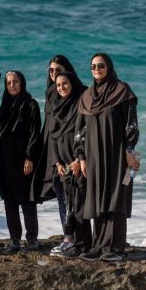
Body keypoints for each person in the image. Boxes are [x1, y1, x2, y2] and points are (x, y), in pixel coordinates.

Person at [74, 53, 140, 262]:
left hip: (117, 156)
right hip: (93, 158)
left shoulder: (122, 91)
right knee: (97, 199)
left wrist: (129, 151)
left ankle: (115, 248)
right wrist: (81, 157)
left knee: (115, 198)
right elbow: (79, 131)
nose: (97, 69)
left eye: (101, 66)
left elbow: (131, 124)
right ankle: (100, 246)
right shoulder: (86, 97)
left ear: (109, 67)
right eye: (93, 66)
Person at [31, 55, 79, 252]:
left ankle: (78, 238)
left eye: (58, 70)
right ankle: (68, 237)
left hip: (73, 150)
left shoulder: (78, 92)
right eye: (51, 70)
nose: (53, 74)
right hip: (53, 148)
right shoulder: (51, 93)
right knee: (60, 194)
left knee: (75, 196)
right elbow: (49, 127)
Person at [0, 71, 42, 251]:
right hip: (5, 160)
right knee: (9, 200)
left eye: (15, 82)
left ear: (22, 83)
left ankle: (32, 238)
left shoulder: (31, 104)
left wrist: (29, 157)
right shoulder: (4, 105)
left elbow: (34, 132)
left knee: (27, 200)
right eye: (9, 83)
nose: (12, 85)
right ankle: (14, 239)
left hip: (24, 159)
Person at [48, 71, 93, 257]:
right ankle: (72, 241)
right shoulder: (57, 106)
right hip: (63, 164)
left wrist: (78, 160)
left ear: (72, 83)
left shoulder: (79, 104)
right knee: (70, 204)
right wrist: (57, 162)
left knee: (80, 205)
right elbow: (54, 136)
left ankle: (84, 245)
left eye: (65, 83)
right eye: (58, 85)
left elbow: (85, 133)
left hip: (78, 162)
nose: (62, 88)